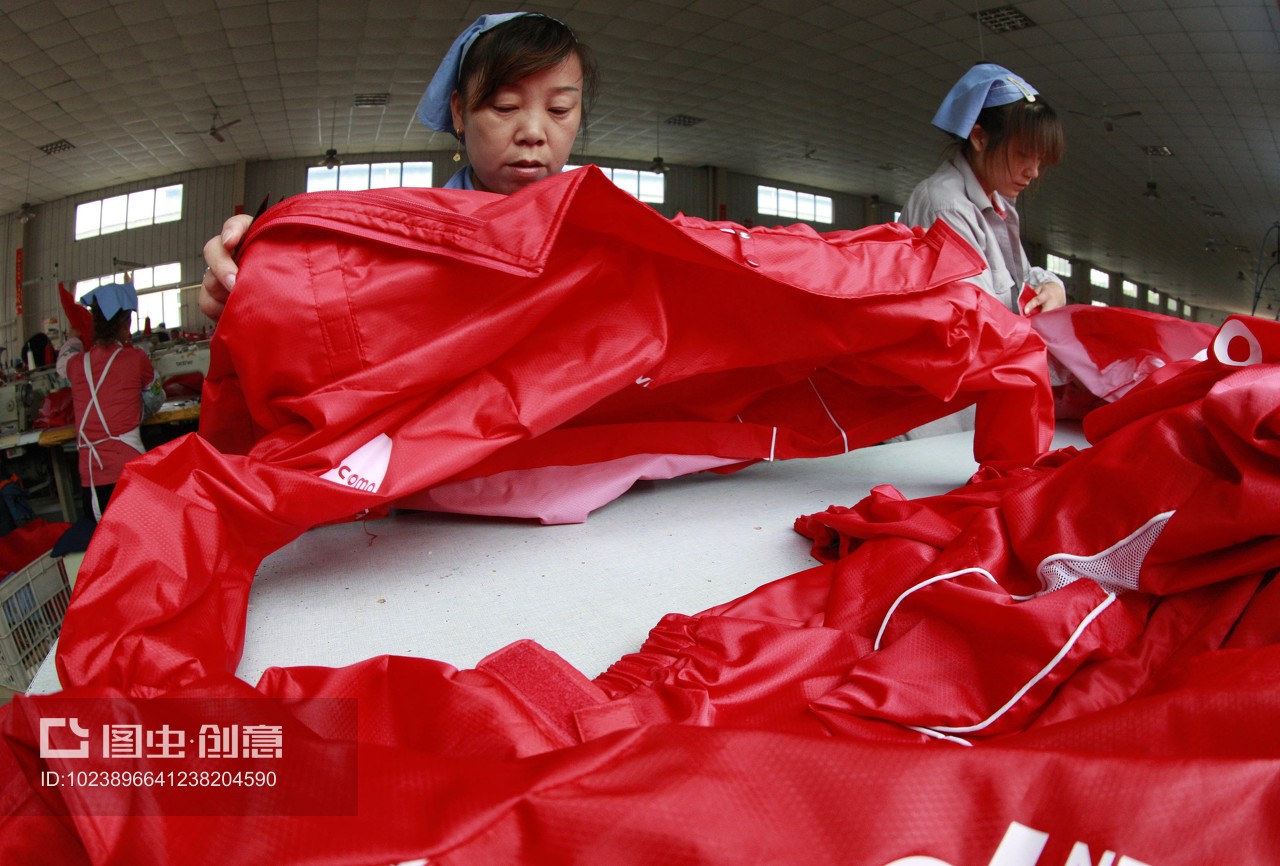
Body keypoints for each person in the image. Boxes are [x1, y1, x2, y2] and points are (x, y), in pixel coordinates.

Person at [200, 12, 599, 321]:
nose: (533, 132)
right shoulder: (406, 239)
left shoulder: (605, 238)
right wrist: (261, 268)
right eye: (505, 106)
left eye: (559, 109)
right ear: (459, 113)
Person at [900, 63, 1067, 316]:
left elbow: (1016, 279)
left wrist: (1051, 285)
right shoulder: (946, 206)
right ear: (979, 137)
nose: (1033, 171)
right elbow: (975, 320)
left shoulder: (997, 202)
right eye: (1023, 154)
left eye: (1040, 159)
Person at [66, 282, 157, 521]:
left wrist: (74, 337)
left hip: (91, 484)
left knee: (110, 549)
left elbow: (63, 358)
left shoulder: (75, 365)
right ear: (126, 325)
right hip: (127, 472)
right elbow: (156, 397)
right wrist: (135, 411)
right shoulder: (136, 359)